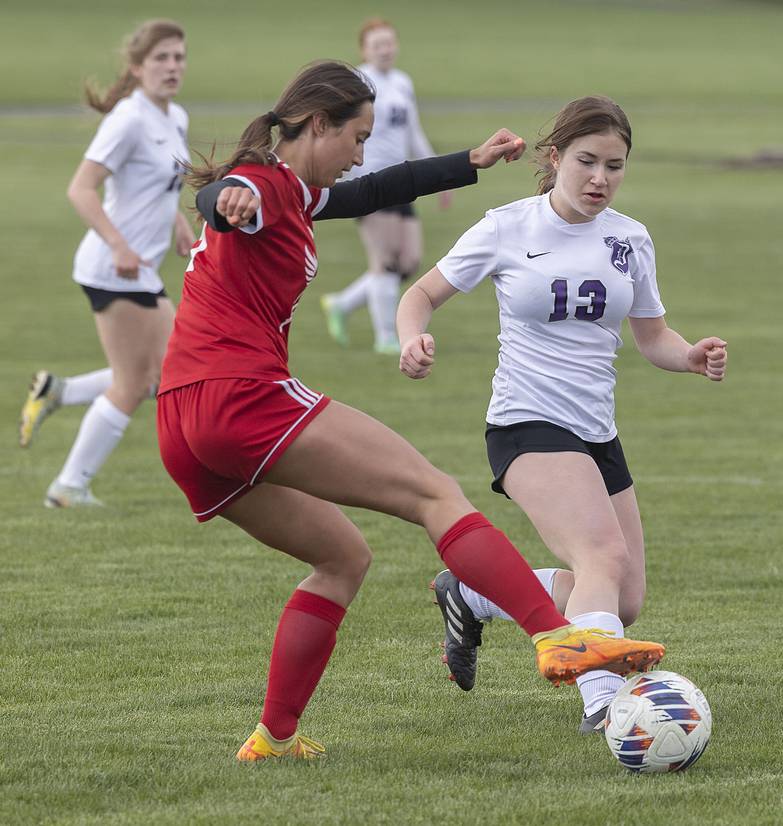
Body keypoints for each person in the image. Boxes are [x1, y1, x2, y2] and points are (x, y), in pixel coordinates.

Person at [166, 64, 665, 761]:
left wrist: (470, 161)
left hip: (180, 421)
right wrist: (229, 203)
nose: (362, 154)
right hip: (240, 395)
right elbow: (231, 191)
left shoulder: (300, 193)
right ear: (318, 125)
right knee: (436, 494)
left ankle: (273, 738)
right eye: (357, 136)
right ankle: (556, 634)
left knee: (341, 557)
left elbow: (375, 191)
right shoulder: (266, 186)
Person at [396, 95, 726, 734]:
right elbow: (422, 293)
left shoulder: (630, 238)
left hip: (597, 432)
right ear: (555, 158)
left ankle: (470, 594)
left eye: (615, 166)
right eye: (587, 162)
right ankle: (606, 707)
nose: (600, 178)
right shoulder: (506, 226)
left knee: (622, 598)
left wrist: (690, 356)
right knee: (603, 555)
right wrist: (413, 338)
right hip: (526, 423)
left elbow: (651, 336)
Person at [18, 19, 194, 508]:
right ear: (137, 68)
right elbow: (81, 189)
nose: (172, 67)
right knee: (141, 380)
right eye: (161, 58)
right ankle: (68, 487)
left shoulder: (174, 117)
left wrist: (177, 222)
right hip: (111, 268)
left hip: (139, 269)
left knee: (159, 374)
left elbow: (160, 186)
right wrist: (118, 245)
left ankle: (59, 391)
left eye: (179, 57)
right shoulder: (128, 120)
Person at [319, 19, 450, 355]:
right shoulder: (358, 83)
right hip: (369, 181)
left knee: (408, 261)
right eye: (377, 45)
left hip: (402, 179)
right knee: (385, 261)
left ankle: (342, 304)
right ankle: (386, 338)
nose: (385, 50)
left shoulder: (402, 82)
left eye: (389, 43)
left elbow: (413, 132)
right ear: (364, 49)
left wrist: (439, 174)